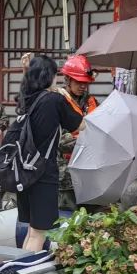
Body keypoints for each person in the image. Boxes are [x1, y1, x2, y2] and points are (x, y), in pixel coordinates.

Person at [13, 55, 84, 252]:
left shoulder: (27, 98)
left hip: (25, 171)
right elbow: (81, 124)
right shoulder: (55, 99)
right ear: (49, 76)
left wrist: (27, 69)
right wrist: (65, 96)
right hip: (44, 173)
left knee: (31, 231)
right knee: (39, 233)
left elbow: (27, 86)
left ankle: (20, 269)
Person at [55, 54, 100, 211]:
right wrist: (86, 138)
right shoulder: (57, 101)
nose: (83, 86)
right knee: (66, 219)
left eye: (86, 83)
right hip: (65, 173)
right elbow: (56, 140)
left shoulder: (91, 101)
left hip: (89, 170)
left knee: (90, 217)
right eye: (79, 82)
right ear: (67, 79)